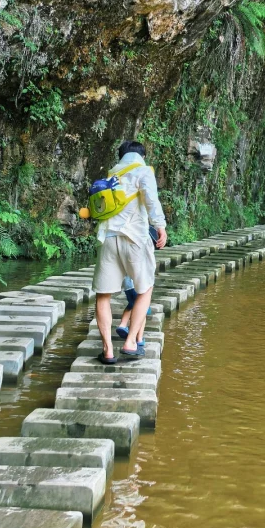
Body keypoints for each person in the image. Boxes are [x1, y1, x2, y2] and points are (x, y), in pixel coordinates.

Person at [92, 141, 166, 363]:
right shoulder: (143, 171)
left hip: (108, 239)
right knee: (144, 289)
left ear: (121, 156)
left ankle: (107, 351)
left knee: (103, 295)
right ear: (142, 155)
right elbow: (151, 200)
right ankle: (131, 342)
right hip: (134, 238)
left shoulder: (110, 176)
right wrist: (160, 225)